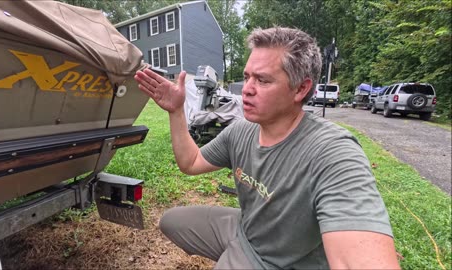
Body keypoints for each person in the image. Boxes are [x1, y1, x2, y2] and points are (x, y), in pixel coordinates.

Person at [134, 27, 400, 269]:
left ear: (300, 89)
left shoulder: (332, 152)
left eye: (262, 80)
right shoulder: (241, 131)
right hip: (246, 230)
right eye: (247, 77)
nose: (246, 90)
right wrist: (176, 111)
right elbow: (190, 163)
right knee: (172, 221)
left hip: (282, 260)